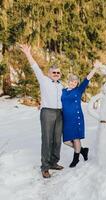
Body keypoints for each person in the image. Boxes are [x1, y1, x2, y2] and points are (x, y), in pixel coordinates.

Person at [19, 44, 64, 178]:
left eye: (58, 72)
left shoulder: (61, 85)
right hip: (47, 113)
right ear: (49, 73)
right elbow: (35, 67)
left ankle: (53, 162)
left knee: (57, 139)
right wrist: (28, 53)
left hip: (59, 113)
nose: (56, 74)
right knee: (47, 139)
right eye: (54, 72)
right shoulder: (43, 80)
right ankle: (45, 167)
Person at [61, 61, 100, 168]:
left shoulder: (78, 90)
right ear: (68, 81)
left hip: (76, 118)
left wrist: (95, 68)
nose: (73, 83)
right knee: (66, 141)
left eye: (75, 82)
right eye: (71, 82)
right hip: (66, 119)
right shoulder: (62, 91)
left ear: (77, 84)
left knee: (76, 138)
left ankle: (76, 158)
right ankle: (83, 150)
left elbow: (87, 79)